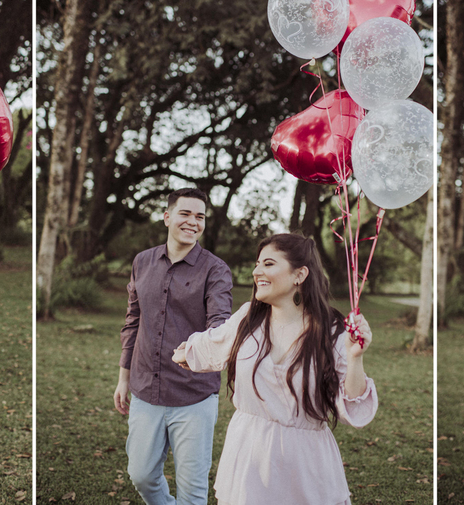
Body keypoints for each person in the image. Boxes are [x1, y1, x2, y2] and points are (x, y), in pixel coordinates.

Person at [171, 233, 377, 505]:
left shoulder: (332, 330)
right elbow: (212, 344)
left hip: (305, 461)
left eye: (268, 264)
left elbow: (353, 410)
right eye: (258, 264)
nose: (257, 271)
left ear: (299, 275)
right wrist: (186, 351)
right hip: (249, 453)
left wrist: (355, 357)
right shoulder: (248, 318)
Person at [114, 188, 234, 505]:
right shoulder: (142, 262)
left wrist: (202, 345)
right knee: (141, 475)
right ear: (168, 217)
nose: (193, 222)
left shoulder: (216, 270)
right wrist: (124, 377)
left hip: (193, 394)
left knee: (192, 492)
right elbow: (132, 320)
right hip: (145, 389)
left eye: (200, 216)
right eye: (185, 213)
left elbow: (220, 320)